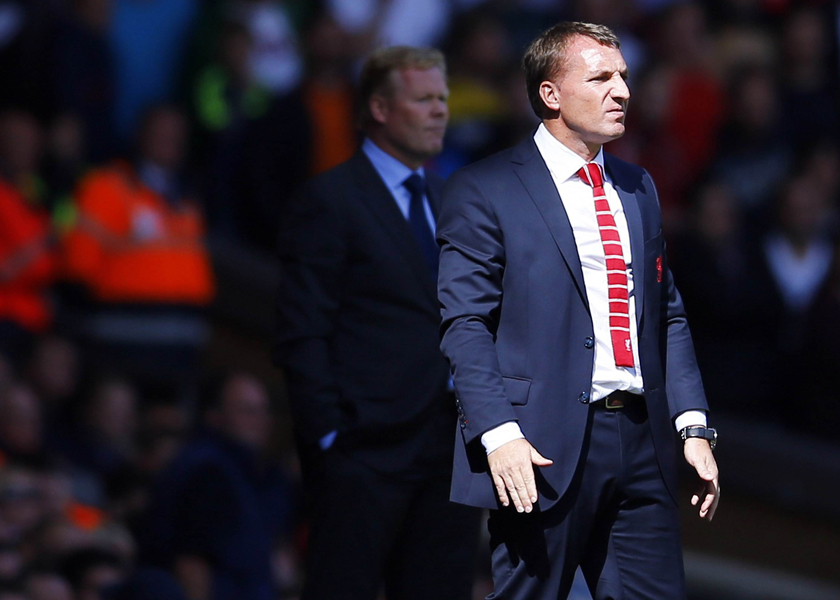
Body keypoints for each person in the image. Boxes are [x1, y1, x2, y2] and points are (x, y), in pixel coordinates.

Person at [437, 22, 720, 599]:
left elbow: (665, 313)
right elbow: (465, 324)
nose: (623, 91)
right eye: (601, 78)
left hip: (642, 441)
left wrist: (692, 425)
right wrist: (498, 433)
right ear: (551, 94)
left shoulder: (638, 187)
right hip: (539, 444)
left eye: (624, 76)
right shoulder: (484, 188)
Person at [273, 46, 480, 600]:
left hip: (452, 449)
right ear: (381, 109)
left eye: (442, 98)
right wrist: (329, 435)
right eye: (424, 99)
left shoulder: (452, 199)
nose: (440, 110)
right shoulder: (329, 199)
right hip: (364, 448)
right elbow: (302, 330)